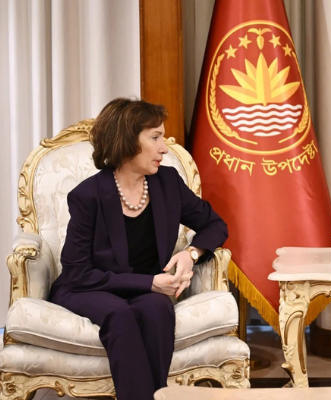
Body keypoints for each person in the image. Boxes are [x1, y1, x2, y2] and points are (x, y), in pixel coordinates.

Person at [49, 98, 228, 400]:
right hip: (89, 287)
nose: (164, 148)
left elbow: (215, 224)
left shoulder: (168, 183)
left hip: (146, 289)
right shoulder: (88, 195)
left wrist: (191, 253)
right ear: (127, 140)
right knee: (119, 314)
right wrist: (149, 283)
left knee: (157, 309)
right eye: (155, 137)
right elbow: (77, 273)